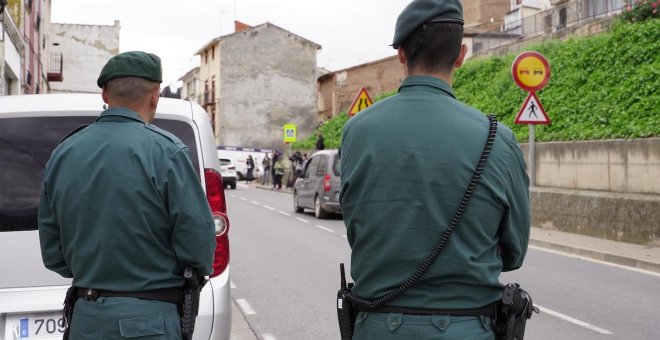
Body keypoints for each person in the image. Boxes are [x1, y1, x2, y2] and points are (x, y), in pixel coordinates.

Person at [339, 1, 531, 339]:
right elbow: (514, 250)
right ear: (461, 54)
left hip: (377, 325)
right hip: (469, 327)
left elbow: (358, 225)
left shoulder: (357, 131)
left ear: (400, 53)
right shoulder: (497, 139)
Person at [38, 51, 216, 340]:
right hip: (151, 320)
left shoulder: (63, 153)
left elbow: (53, 253)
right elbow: (198, 243)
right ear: (155, 95)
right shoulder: (168, 152)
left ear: (105, 94)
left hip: (85, 318)